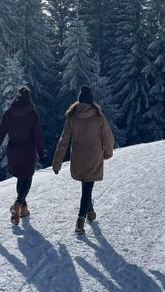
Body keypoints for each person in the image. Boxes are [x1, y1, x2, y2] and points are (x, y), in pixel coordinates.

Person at [52, 85, 115, 235]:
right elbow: (108, 136)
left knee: (86, 185)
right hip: (93, 155)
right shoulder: (99, 116)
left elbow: (64, 141)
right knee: (88, 186)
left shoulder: (72, 117)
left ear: (79, 100)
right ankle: (80, 220)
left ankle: (90, 212)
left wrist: (57, 162)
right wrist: (109, 152)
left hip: (78, 156)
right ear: (91, 100)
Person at [0, 86, 46, 225]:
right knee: (27, 179)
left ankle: (23, 210)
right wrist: (41, 154)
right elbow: (38, 136)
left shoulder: (9, 113)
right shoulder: (32, 114)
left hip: (13, 152)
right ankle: (18, 203)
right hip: (28, 152)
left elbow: (0, 134)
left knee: (21, 178)